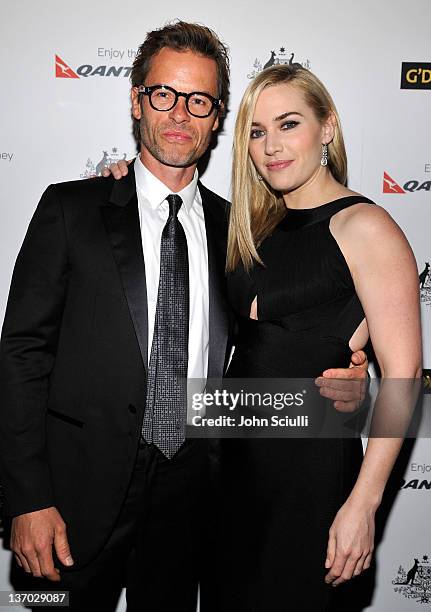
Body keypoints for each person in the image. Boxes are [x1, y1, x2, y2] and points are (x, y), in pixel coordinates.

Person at [0, 22, 368, 612]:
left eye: (199, 100)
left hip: (198, 486)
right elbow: (22, 355)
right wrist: (26, 498)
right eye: (164, 94)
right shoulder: (72, 209)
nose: (179, 114)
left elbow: (274, 343)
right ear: (136, 100)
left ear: (217, 116)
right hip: (77, 493)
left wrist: (347, 378)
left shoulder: (242, 230)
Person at [216, 63, 421, 611]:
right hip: (231, 473)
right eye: (256, 132)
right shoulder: (251, 227)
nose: (270, 146)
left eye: (288, 124)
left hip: (307, 473)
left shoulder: (363, 227)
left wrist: (363, 505)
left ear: (327, 127)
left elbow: (402, 377)